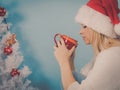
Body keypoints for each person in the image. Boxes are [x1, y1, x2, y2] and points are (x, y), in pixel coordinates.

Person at [54, 0, 120, 90]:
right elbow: (85, 84)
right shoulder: (108, 54)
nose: (80, 32)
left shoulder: (111, 56)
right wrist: (69, 62)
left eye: (84, 26)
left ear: (98, 28)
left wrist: (63, 63)